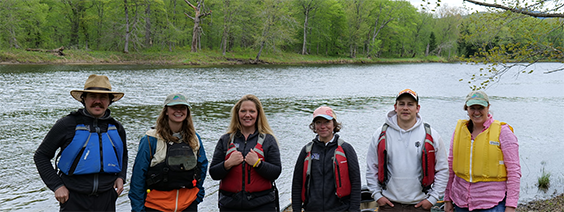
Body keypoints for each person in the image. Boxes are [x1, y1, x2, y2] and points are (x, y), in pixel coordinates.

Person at [34, 74, 127, 211]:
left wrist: (121, 177)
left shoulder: (116, 128)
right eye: (92, 97)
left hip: (107, 198)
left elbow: (123, 154)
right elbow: (41, 156)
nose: (98, 101)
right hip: (73, 199)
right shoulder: (67, 124)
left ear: (110, 101)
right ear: (84, 99)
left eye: (103, 97)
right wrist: (57, 186)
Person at [366, 89, 448, 211]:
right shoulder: (380, 134)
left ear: (417, 108)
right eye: (402, 104)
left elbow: (442, 169)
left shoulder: (431, 135)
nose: (405, 108)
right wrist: (377, 195)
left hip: (419, 205)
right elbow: (371, 167)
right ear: (395, 107)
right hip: (389, 205)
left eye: (410, 104)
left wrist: (432, 199)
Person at [129, 93, 208, 212]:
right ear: (166, 111)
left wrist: (198, 194)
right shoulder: (150, 140)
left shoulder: (194, 138)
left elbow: (202, 166)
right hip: (156, 207)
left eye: (182, 108)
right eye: (174, 107)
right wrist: (138, 209)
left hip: (188, 205)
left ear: (187, 112)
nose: (179, 111)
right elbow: (138, 176)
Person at [444, 91, 521, 212]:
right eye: (472, 108)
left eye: (481, 108)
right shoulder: (459, 131)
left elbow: (514, 171)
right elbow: (451, 164)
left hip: (492, 205)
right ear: (466, 109)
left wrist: (511, 206)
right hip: (460, 203)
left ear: (488, 107)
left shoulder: (503, 132)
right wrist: (447, 198)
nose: (476, 112)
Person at [209, 94, 281, 211]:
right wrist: (227, 164)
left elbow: (276, 172)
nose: (247, 115)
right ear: (237, 114)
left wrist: (258, 163)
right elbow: (213, 173)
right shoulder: (225, 140)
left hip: (262, 204)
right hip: (230, 205)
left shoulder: (268, 140)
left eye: (252, 111)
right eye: (243, 111)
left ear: (258, 114)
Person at [291, 106, 361, 212]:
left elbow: (356, 182)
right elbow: (297, 183)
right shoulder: (306, 151)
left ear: (334, 124)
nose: (323, 126)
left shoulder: (346, 149)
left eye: (327, 122)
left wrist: (354, 210)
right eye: (318, 122)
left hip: (341, 209)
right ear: (314, 126)